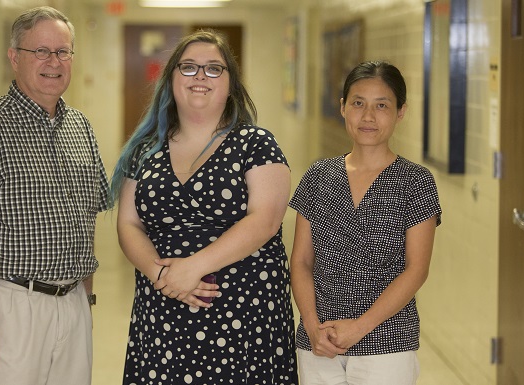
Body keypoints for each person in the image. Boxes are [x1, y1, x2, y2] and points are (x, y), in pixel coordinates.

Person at [110, 29, 299, 384]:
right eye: (189, 67)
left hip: (244, 314)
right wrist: (164, 275)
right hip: (164, 308)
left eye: (214, 69)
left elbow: (265, 221)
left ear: (231, 84)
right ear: (171, 79)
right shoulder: (144, 149)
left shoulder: (256, 144)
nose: (200, 76)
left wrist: (192, 268)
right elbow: (128, 224)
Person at [0, 6, 109, 385]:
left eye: (63, 51)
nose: (54, 62)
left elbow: (86, 221)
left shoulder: (81, 127)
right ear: (15, 58)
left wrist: (88, 300)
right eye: (41, 51)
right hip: (11, 307)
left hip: (73, 306)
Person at [289, 60, 442, 385]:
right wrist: (313, 325)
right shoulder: (318, 176)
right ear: (343, 107)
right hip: (319, 342)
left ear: (401, 111)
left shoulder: (415, 181)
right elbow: (301, 262)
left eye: (382, 105)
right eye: (358, 103)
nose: (368, 116)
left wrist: (359, 326)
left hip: (386, 343)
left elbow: (417, 269)